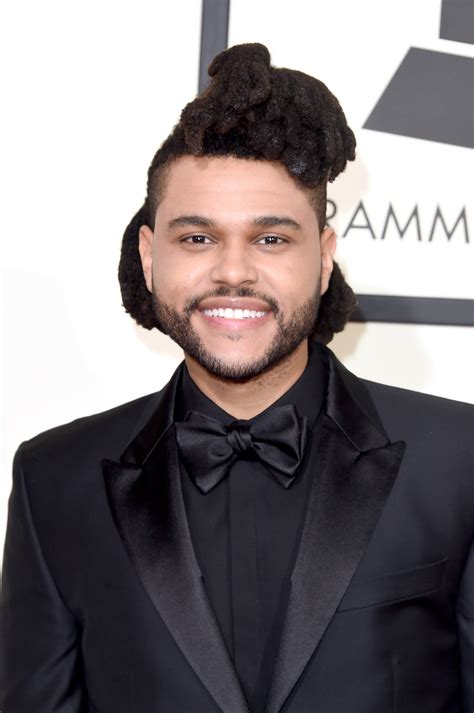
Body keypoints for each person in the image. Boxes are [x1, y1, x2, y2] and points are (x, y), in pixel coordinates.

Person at [0, 42, 472, 713]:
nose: (232, 271)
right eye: (197, 238)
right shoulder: (54, 480)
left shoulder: (458, 461)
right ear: (150, 256)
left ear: (324, 259)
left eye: (271, 239)